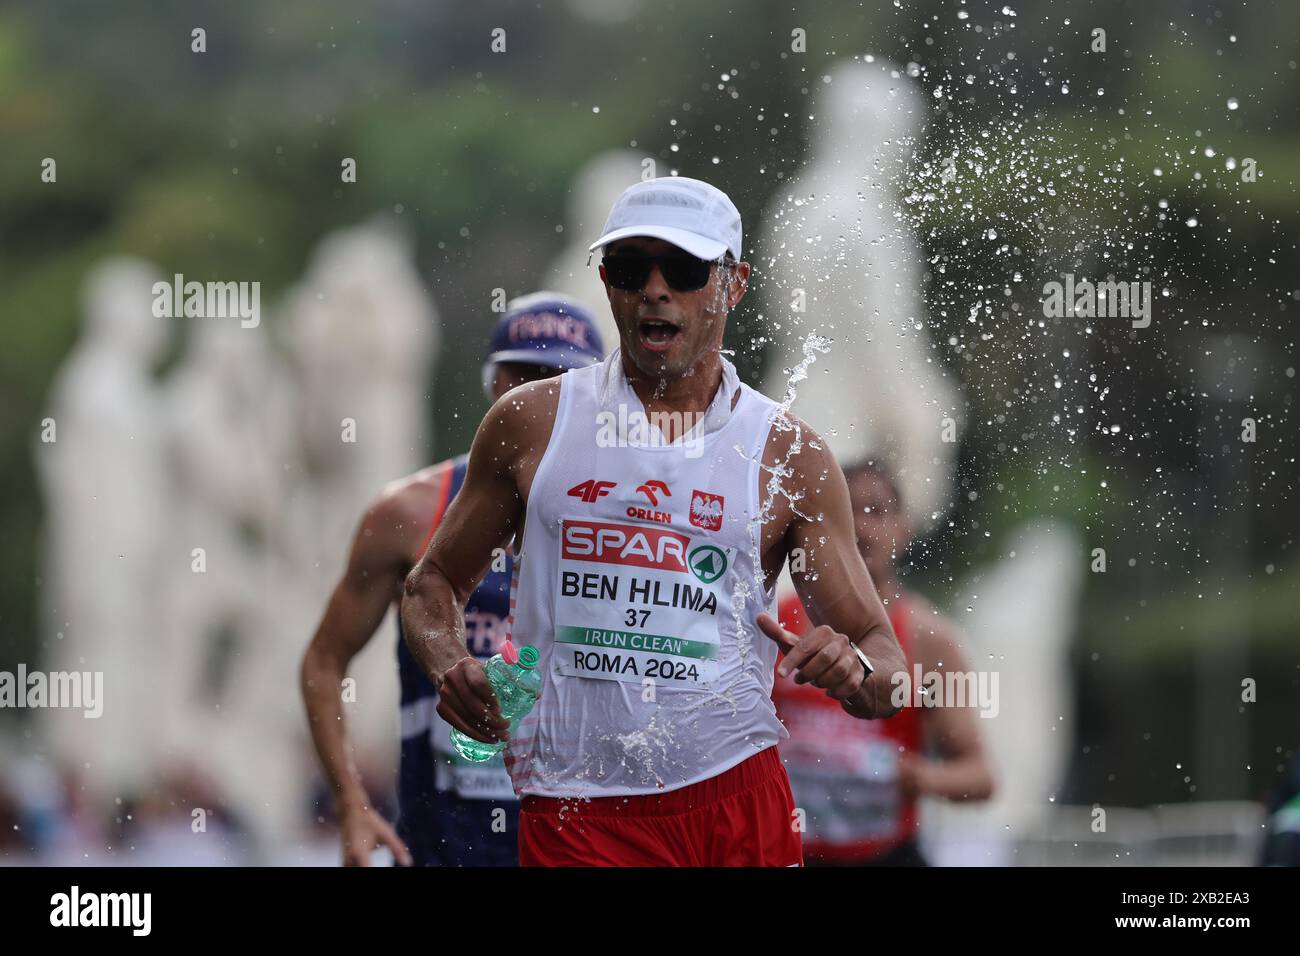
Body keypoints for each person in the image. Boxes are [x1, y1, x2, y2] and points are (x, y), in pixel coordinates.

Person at [401, 175, 908, 867]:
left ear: (733, 285)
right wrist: (450, 666)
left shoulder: (790, 454)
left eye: (686, 270)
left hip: (736, 800)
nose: (656, 290)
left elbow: (886, 667)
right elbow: (430, 589)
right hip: (577, 809)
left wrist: (854, 672)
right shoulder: (531, 423)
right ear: (607, 281)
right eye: (632, 268)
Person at [300, 293, 604, 866]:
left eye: (562, 380)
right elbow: (322, 661)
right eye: (527, 377)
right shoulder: (410, 512)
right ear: (494, 385)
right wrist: (349, 802)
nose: (541, 397)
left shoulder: (632, 516)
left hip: (580, 847)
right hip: (443, 848)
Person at [773, 459, 995, 865]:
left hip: (884, 856)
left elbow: (980, 778)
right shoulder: (776, 619)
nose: (861, 525)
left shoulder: (930, 640)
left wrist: (912, 776)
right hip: (788, 854)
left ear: (903, 531)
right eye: (847, 510)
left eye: (876, 510)